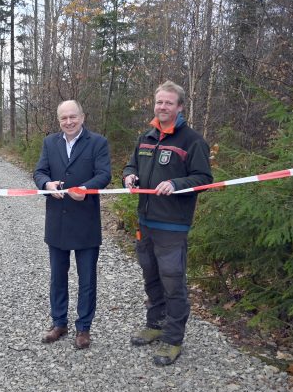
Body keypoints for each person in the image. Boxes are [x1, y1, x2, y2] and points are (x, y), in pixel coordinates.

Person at [122, 80, 213, 366]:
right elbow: (131, 165)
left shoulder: (192, 141)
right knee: (151, 277)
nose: (162, 107)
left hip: (173, 226)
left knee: (173, 281)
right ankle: (155, 324)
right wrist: (128, 176)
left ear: (180, 107)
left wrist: (176, 183)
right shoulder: (145, 138)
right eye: (159, 102)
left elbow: (204, 179)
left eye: (169, 103)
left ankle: (173, 339)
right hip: (145, 221)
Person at [34, 100, 111, 350]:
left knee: (87, 279)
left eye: (72, 117)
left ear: (82, 116)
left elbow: (104, 174)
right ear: (59, 121)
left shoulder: (98, 142)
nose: (68, 122)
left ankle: (83, 328)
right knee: (58, 277)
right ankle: (59, 323)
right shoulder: (50, 143)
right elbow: (39, 172)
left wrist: (86, 189)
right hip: (57, 222)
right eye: (63, 118)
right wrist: (47, 185)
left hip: (86, 221)